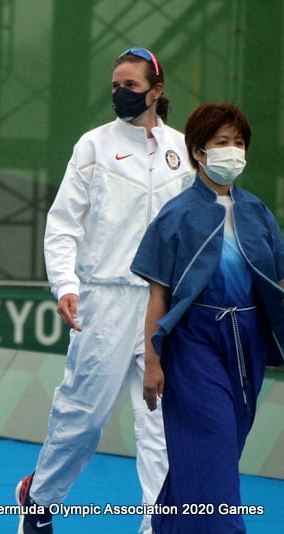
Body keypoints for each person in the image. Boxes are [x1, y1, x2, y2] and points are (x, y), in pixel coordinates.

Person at [15, 48, 193, 534]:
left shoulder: (183, 150)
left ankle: (157, 525)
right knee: (83, 418)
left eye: (131, 85)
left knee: (160, 426)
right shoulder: (93, 144)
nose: (120, 93)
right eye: (116, 85)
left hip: (163, 304)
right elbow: (62, 223)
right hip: (104, 300)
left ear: (156, 91)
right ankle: (39, 501)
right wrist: (65, 284)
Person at [130, 103, 284, 533]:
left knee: (216, 452)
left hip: (247, 342)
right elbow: (158, 295)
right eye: (221, 142)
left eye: (239, 142)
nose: (232, 151)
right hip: (194, 343)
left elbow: (278, 281)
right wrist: (153, 363)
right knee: (212, 444)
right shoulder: (176, 214)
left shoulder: (257, 212)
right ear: (199, 152)